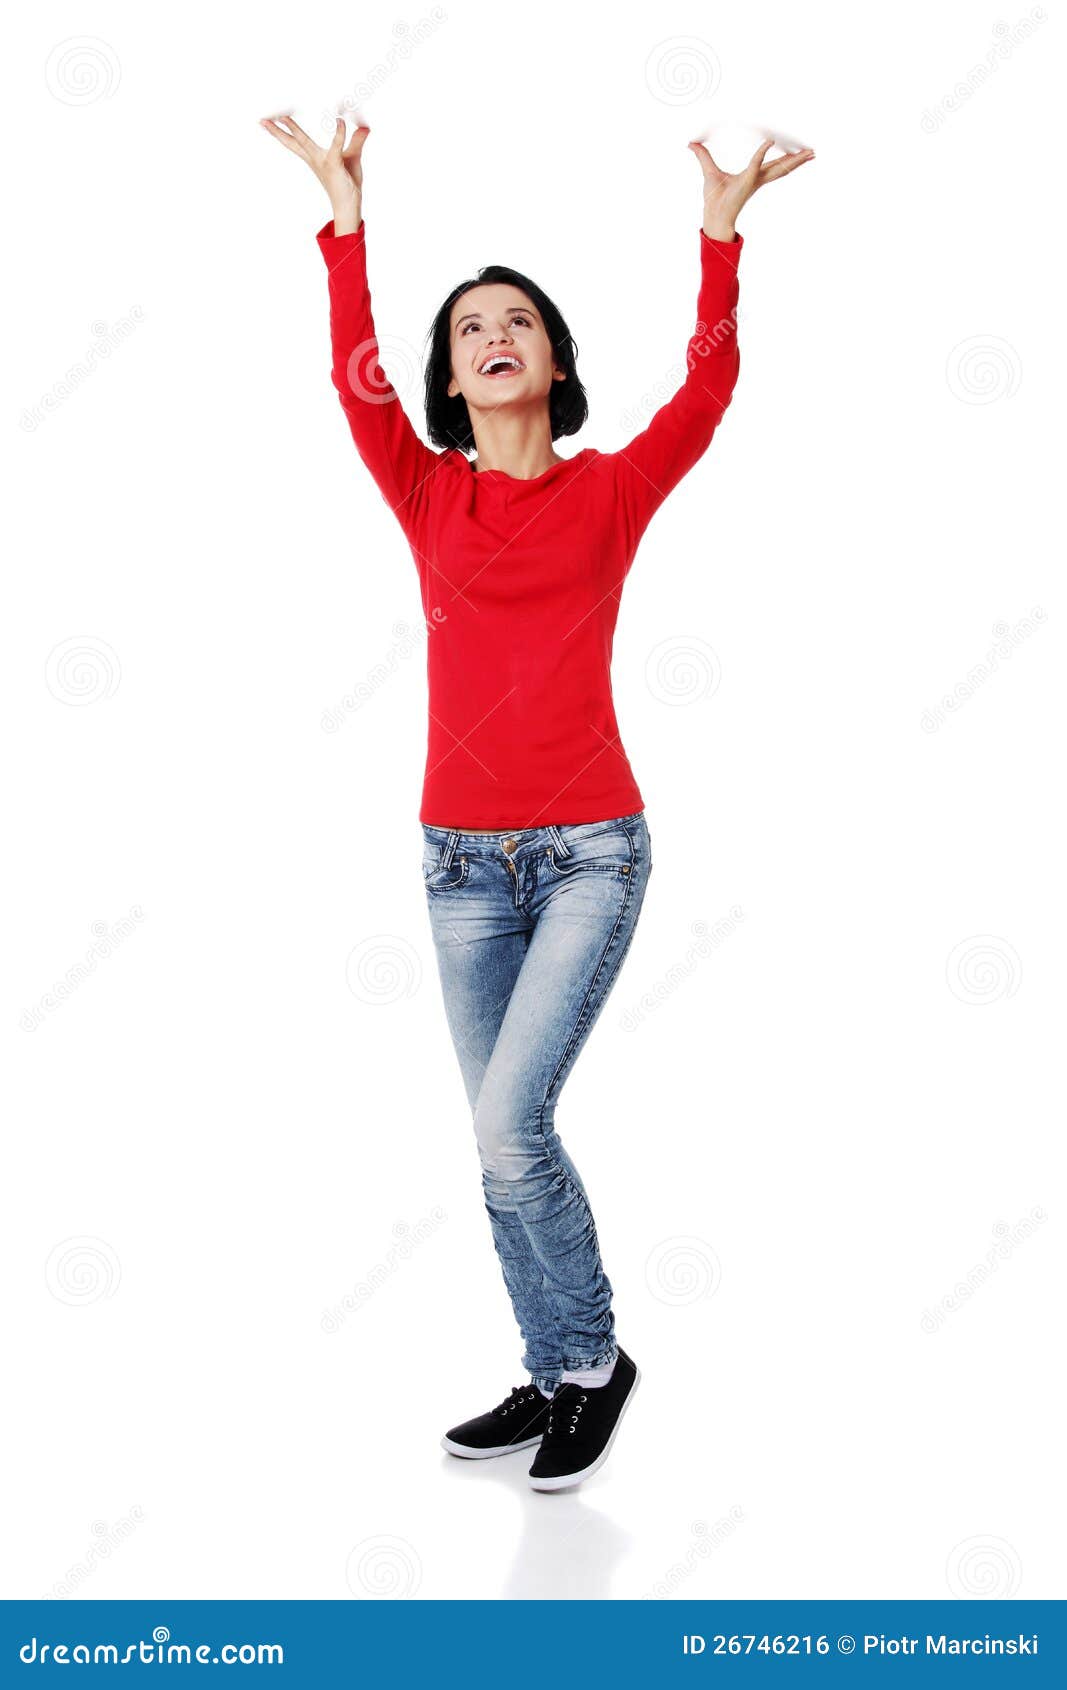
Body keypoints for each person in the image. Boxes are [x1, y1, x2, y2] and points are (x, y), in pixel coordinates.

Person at [260, 113, 813, 1491]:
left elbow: (708, 388)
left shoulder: (609, 493)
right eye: (470, 329)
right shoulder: (426, 494)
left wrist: (721, 237)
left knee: (513, 1130)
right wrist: (346, 222)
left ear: (555, 363)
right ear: (451, 378)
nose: (493, 336)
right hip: (457, 865)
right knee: (500, 1140)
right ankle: (555, 1361)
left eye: (518, 322)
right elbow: (352, 376)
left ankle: (595, 1361)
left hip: (587, 857)